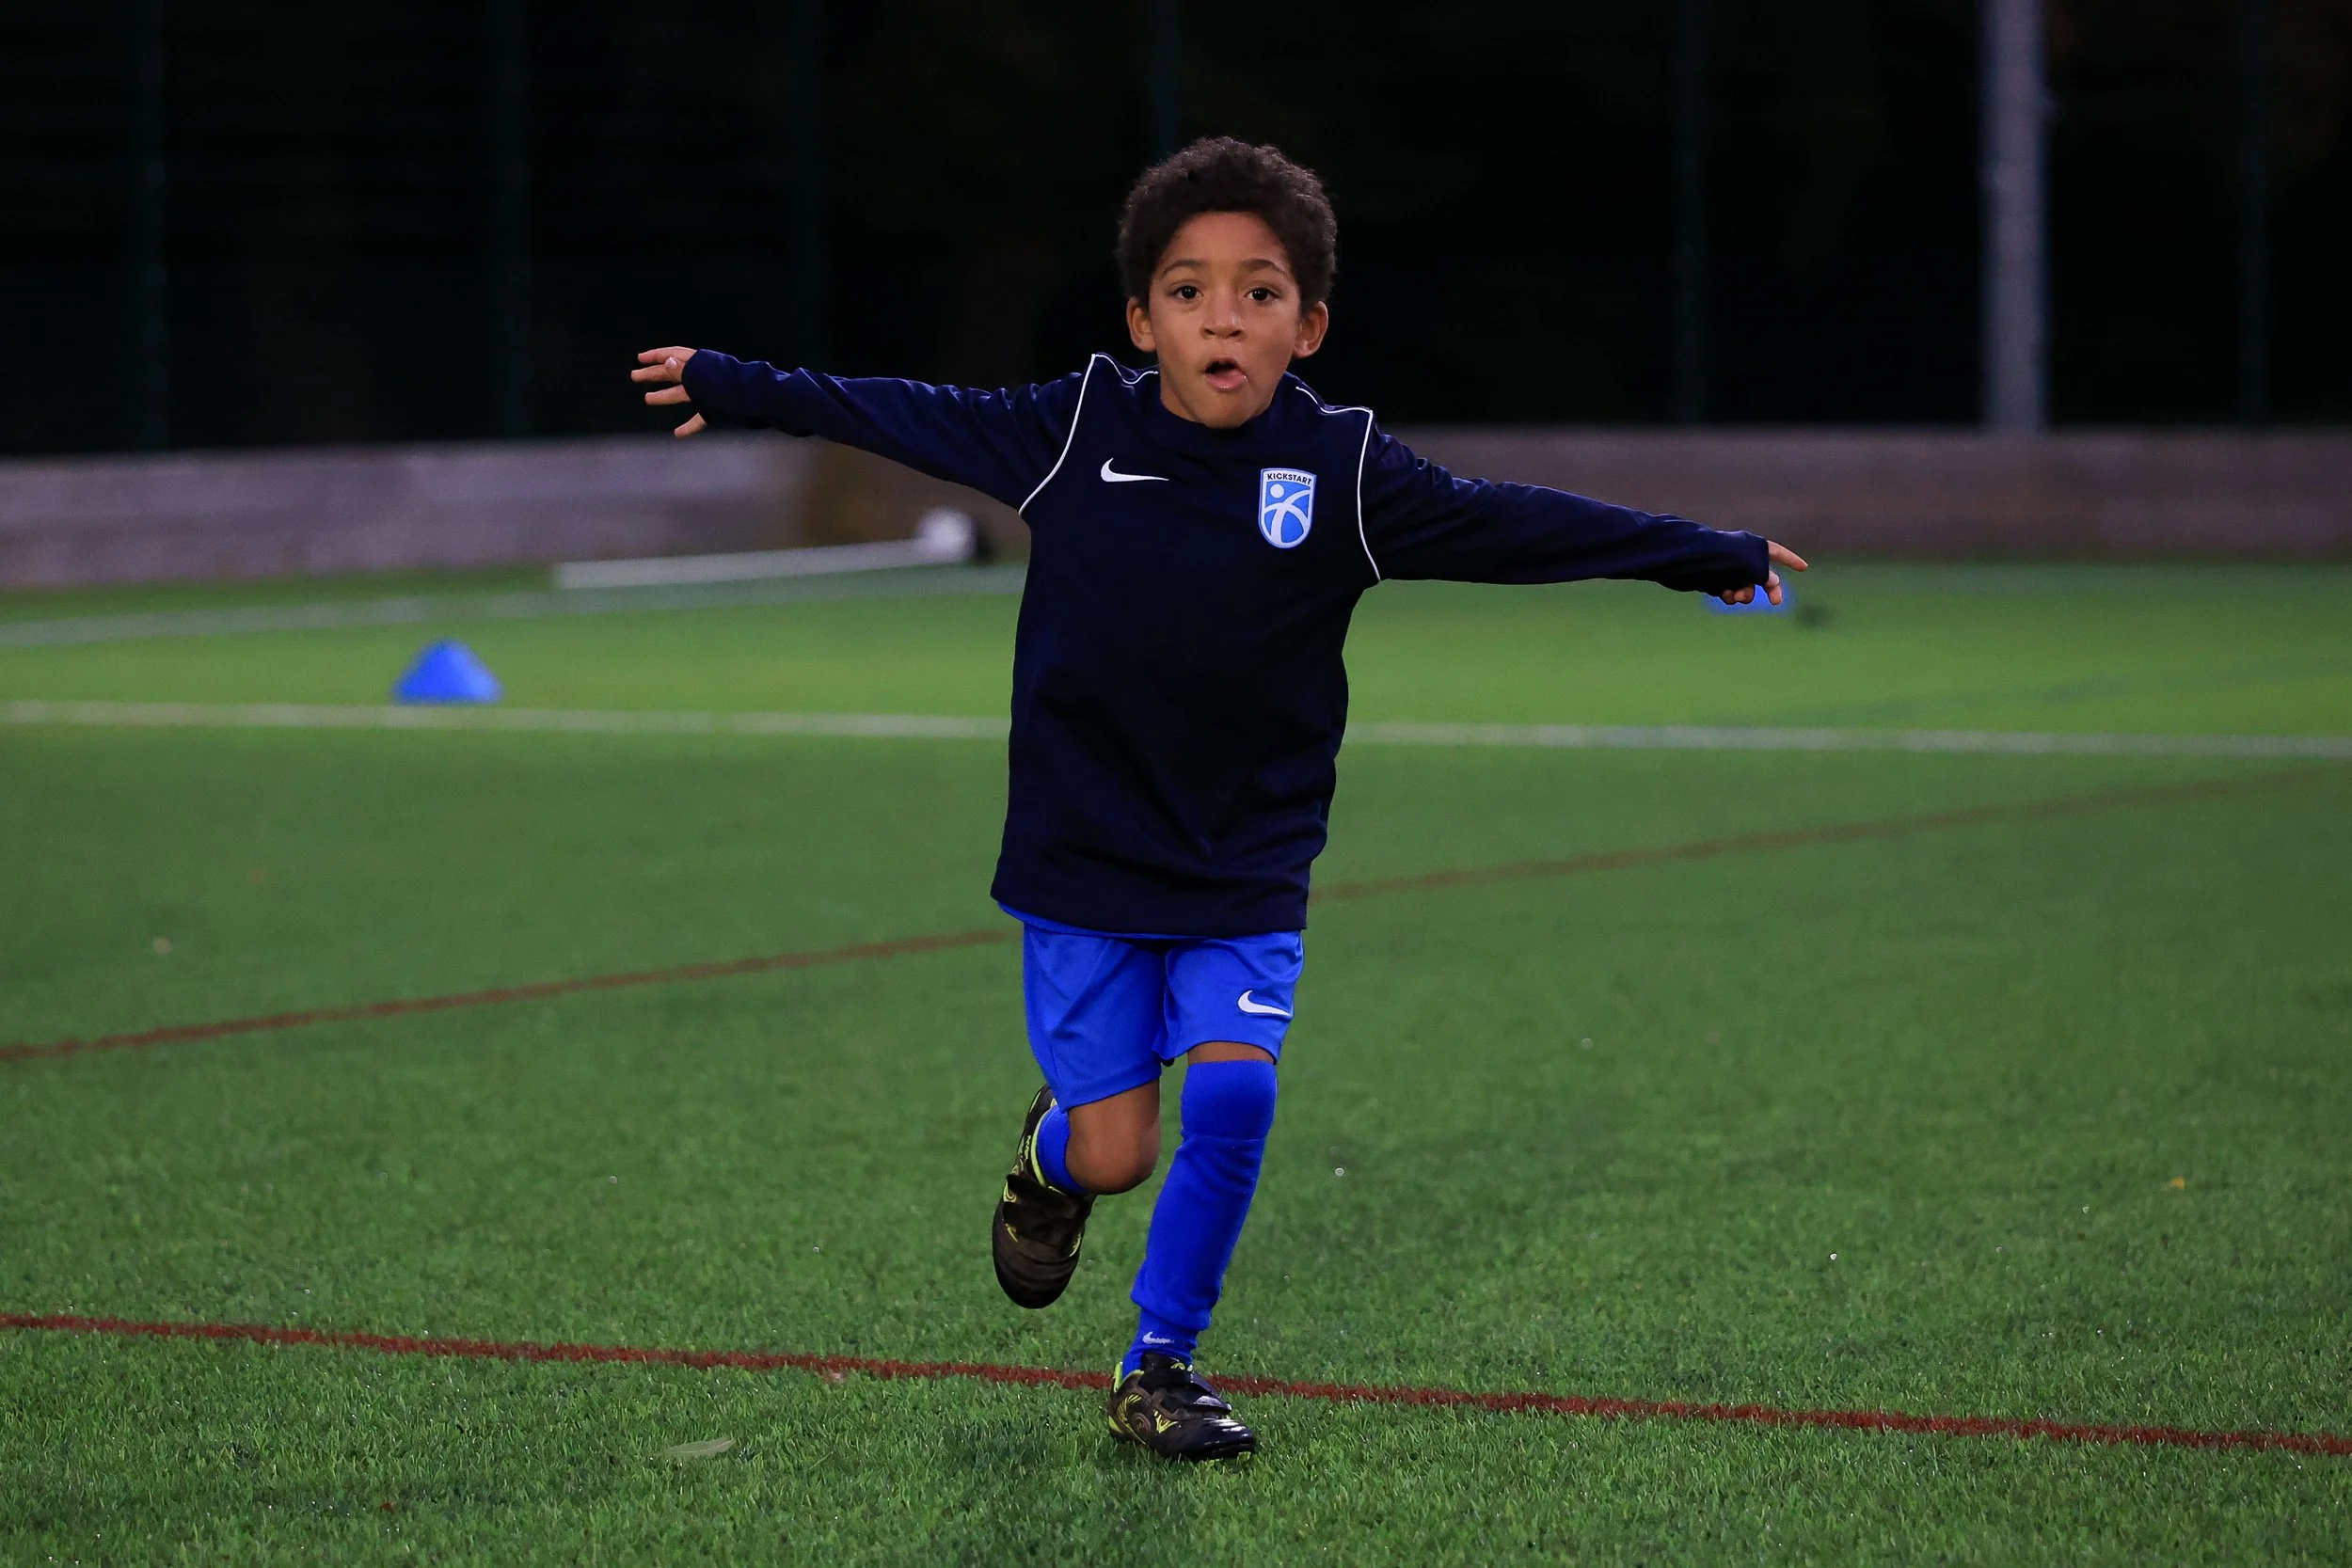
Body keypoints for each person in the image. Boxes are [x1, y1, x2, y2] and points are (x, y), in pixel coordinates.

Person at [632, 137, 1805, 1462]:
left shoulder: (1346, 472)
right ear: (1143, 320)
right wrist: (731, 382)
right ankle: (1050, 1162)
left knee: (1237, 1095)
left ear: (1308, 324)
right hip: (1083, 861)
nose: (1223, 318)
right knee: (1119, 1148)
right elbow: (895, 404)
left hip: (1247, 859)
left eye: (1259, 292)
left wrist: (1697, 555)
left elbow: (1516, 522)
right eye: (1189, 292)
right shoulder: (1072, 431)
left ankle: (1161, 1361)